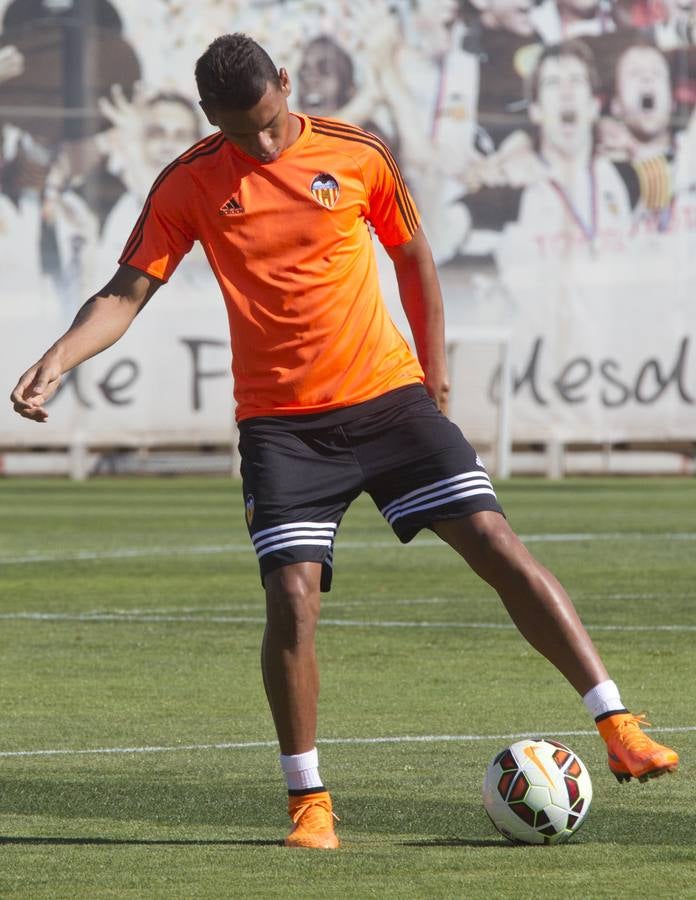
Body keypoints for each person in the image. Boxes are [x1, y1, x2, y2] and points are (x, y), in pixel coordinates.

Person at [10, 32, 678, 850]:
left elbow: (413, 259)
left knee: (497, 544)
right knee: (292, 602)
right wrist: (59, 357)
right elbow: (125, 292)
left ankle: (615, 722)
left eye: (267, 120)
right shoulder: (189, 181)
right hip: (282, 429)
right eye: (237, 129)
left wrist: (433, 380)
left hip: (388, 402)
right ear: (208, 116)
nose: (258, 142)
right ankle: (309, 804)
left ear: (285, 85)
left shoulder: (356, 154)